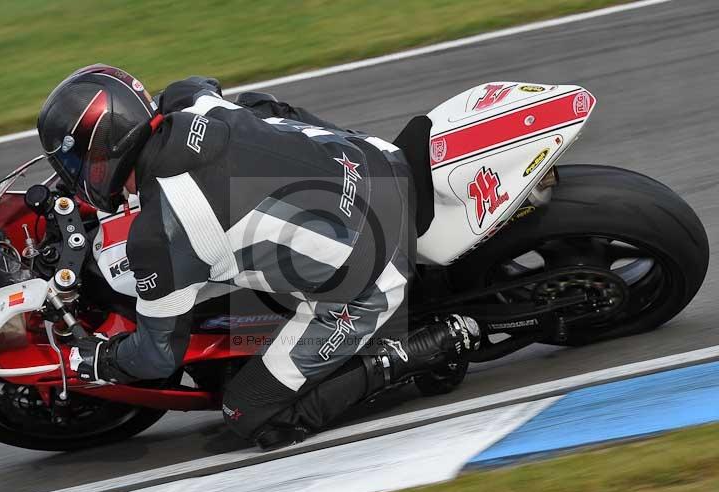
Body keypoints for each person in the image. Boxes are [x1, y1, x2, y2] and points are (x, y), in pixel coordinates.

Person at [37, 64, 480, 450]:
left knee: (248, 411)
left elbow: (158, 357)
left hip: (377, 270)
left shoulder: (159, 237)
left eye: (75, 164)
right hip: (376, 160)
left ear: (103, 151)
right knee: (254, 106)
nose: (75, 176)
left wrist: (94, 360)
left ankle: (415, 352)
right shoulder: (191, 103)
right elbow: (199, 83)